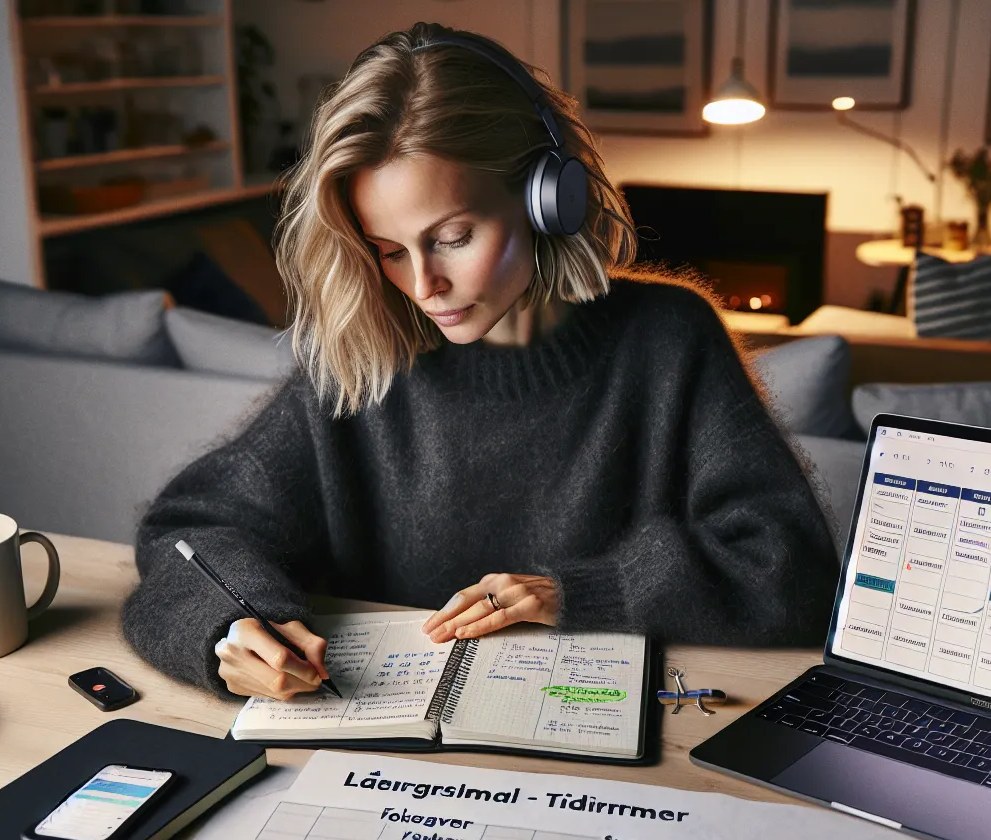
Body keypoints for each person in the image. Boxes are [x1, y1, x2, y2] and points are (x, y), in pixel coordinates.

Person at [123, 23, 839, 700]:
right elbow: (188, 534)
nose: (423, 285)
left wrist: (583, 593)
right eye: (388, 250)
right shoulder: (366, 356)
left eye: (452, 237)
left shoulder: (668, 341)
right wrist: (232, 631)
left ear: (547, 198)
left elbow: (793, 571)